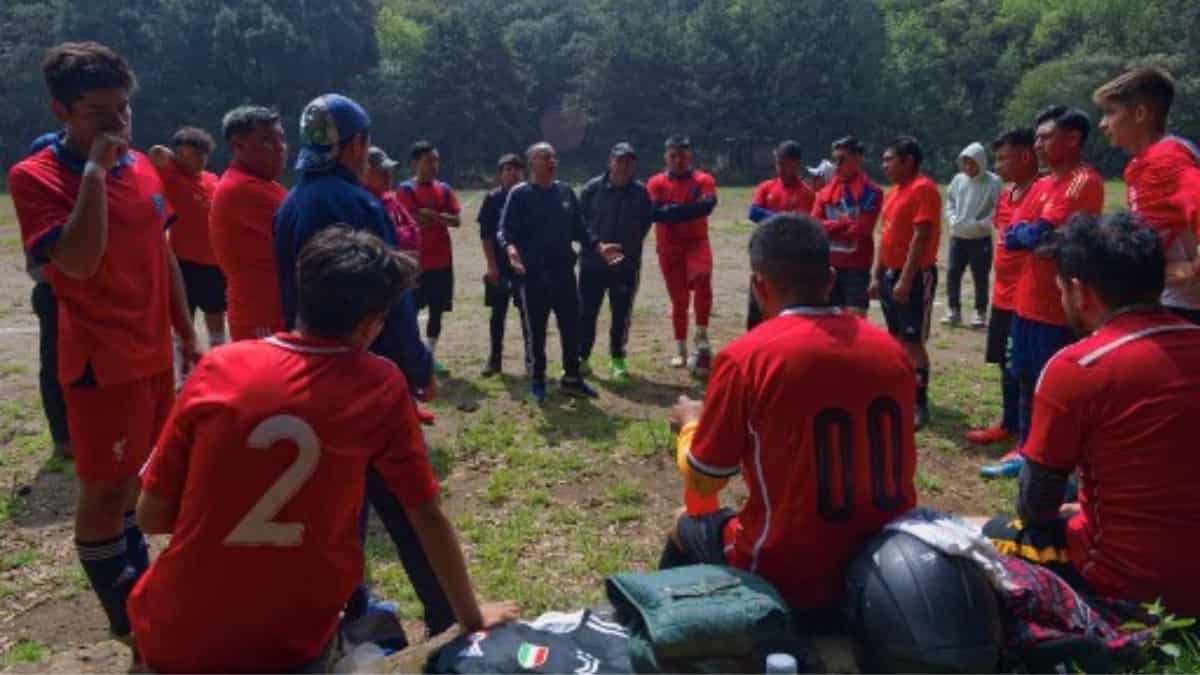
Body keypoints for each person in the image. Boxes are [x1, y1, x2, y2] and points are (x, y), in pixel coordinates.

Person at [128, 227, 520, 672]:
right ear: (372, 323)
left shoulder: (221, 365)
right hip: (289, 645)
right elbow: (425, 513)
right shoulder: (380, 383)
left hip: (174, 630)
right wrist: (470, 617)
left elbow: (151, 515)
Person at [7, 41, 197, 642]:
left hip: (151, 354)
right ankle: (125, 617)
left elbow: (161, 250)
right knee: (103, 488)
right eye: (98, 113)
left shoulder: (141, 165)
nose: (118, 124)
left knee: (139, 479)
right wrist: (93, 169)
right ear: (61, 111)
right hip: (99, 362)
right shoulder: (35, 177)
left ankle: (138, 587)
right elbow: (81, 261)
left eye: (124, 109)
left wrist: (186, 330)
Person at [661, 214, 916, 614]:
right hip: (888, 567)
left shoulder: (748, 357)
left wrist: (691, 422)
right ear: (830, 279)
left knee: (685, 523)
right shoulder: (891, 351)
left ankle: (670, 633)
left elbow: (704, 479)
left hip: (787, 571)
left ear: (758, 285)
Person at [273, 93, 454, 638]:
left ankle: (349, 606)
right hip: (366, 372)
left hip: (312, 371)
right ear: (354, 145)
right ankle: (446, 614)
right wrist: (418, 365)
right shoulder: (355, 202)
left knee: (338, 501)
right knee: (406, 500)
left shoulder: (290, 203)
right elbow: (390, 297)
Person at [984, 212, 1200, 618]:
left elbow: (1035, 506)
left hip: (1134, 583)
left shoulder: (1078, 367)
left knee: (995, 535)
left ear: (1080, 292)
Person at [981, 106, 1104, 478]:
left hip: (1056, 306)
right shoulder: (1043, 184)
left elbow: (1039, 236)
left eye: (1046, 136)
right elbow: (1016, 234)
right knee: (1023, 374)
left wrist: (1031, 235)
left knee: (1051, 383)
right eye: (1036, 137)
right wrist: (1031, 235)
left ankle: (1050, 455)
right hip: (1025, 299)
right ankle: (1025, 446)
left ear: (1073, 138)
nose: (1038, 144)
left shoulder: (1083, 181)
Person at [1095, 66, 1200, 324]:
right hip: (1159, 301)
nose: (1102, 123)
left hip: (1182, 309)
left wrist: (1192, 269)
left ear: (1140, 113)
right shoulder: (1139, 164)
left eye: (1110, 112)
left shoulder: (1168, 160)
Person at [498, 141, 600, 403]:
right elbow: (505, 230)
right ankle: (538, 380)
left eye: (554, 157)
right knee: (537, 330)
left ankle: (572, 378)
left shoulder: (566, 192)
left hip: (563, 273)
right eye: (546, 157)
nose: (553, 161)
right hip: (533, 276)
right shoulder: (519, 194)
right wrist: (510, 250)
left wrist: (598, 245)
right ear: (532, 163)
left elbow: (579, 228)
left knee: (571, 327)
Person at [966, 129, 1039, 451]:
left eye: (1003, 157)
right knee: (1004, 363)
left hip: (1029, 299)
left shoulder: (1042, 192)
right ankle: (1009, 424)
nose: (998, 164)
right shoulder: (1008, 194)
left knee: (1024, 368)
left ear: (1025, 157)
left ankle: (1029, 436)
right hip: (1003, 295)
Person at [870, 136, 942, 430]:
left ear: (908, 160)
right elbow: (884, 236)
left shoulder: (923, 189)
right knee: (896, 338)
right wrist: (877, 274)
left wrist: (906, 278)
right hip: (890, 274)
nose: (884, 165)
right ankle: (902, 391)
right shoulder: (893, 193)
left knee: (912, 342)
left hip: (913, 275)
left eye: (890, 159)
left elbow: (920, 236)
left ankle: (919, 404)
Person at [149, 127, 224, 378]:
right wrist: (178, 158)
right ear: (180, 153)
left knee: (216, 320)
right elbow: (156, 153)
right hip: (183, 264)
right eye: (197, 154)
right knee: (183, 323)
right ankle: (182, 378)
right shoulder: (170, 175)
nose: (203, 159)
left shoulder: (212, 179)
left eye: (205, 154)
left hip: (214, 264)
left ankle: (219, 371)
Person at [208, 105, 289, 342]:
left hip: (268, 312)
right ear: (237, 146)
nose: (280, 148)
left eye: (281, 139)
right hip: (262, 317)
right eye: (267, 141)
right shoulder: (245, 189)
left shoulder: (264, 185)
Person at [578, 142, 654, 380]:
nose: (624, 165)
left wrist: (626, 250)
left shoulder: (641, 193)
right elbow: (579, 224)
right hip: (592, 264)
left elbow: (644, 225)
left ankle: (617, 359)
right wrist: (597, 247)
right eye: (620, 160)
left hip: (625, 266)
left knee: (621, 315)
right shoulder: (592, 189)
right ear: (610, 161)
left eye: (629, 162)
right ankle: (582, 358)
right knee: (586, 313)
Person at [646, 135, 718, 375]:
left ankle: (701, 334)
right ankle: (680, 348)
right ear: (666, 156)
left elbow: (708, 205)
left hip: (696, 242)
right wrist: (687, 211)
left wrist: (674, 211)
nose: (678, 160)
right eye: (673, 155)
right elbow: (654, 213)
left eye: (683, 155)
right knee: (679, 300)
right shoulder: (656, 182)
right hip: (668, 247)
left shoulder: (703, 179)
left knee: (703, 277)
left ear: (690, 156)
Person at [23, 131, 73, 459]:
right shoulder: (39, 206)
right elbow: (36, 268)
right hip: (54, 297)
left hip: (82, 298)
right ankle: (63, 438)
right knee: (55, 365)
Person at [396, 141, 462, 376]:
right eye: (429, 160)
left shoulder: (444, 189)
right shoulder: (405, 190)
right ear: (415, 163)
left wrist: (430, 215)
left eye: (436, 160)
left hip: (442, 262)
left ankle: (430, 356)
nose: (435, 165)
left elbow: (456, 221)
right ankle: (410, 356)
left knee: (437, 311)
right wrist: (440, 217)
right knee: (410, 311)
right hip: (415, 264)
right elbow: (412, 219)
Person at [746, 140, 815, 329]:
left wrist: (773, 218)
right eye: (778, 163)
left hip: (789, 260)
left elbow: (800, 225)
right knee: (756, 307)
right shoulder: (767, 187)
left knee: (784, 308)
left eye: (785, 164)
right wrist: (784, 218)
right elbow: (753, 212)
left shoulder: (806, 193)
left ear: (797, 164)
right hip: (764, 256)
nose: (780, 168)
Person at [811, 135, 883, 319]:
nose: (837, 165)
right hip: (828, 266)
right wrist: (843, 224)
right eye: (834, 160)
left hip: (856, 267)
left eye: (842, 159)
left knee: (856, 322)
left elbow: (862, 230)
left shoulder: (871, 191)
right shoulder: (825, 192)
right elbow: (814, 226)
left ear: (858, 159)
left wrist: (830, 228)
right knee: (828, 322)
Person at [941, 142, 1001, 328]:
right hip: (958, 237)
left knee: (980, 275)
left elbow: (999, 208)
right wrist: (952, 219)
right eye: (965, 163)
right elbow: (950, 201)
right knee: (952, 273)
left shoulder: (993, 182)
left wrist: (980, 224)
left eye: (972, 163)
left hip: (980, 238)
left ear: (981, 162)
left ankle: (980, 312)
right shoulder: (958, 179)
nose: (968, 167)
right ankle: (953, 310)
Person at [476, 153, 525, 377]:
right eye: (508, 169)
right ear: (500, 174)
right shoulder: (492, 199)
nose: (513, 173)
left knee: (528, 314)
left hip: (525, 267)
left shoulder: (529, 197)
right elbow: (486, 236)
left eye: (516, 169)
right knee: (498, 314)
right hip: (501, 266)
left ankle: (532, 359)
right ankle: (494, 360)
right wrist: (492, 266)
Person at [364, 145, 421, 259]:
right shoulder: (361, 203)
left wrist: (396, 235)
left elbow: (415, 233)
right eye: (382, 171)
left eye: (389, 170)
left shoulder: (391, 200)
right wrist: (401, 234)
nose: (388, 175)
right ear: (366, 172)